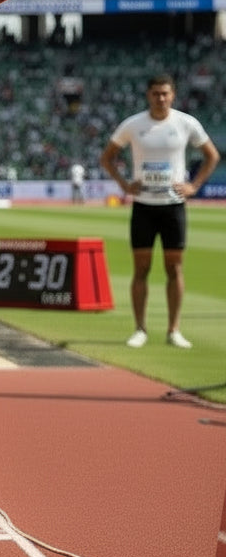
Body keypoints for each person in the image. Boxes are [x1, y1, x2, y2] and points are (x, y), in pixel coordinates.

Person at [99, 73, 219, 350]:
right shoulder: (133, 125)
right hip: (144, 206)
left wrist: (194, 185)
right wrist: (125, 185)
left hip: (173, 206)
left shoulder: (186, 123)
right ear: (148, 95)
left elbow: (211, 155)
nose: (161, 98)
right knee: (141, 268)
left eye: (165, 93)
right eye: (156, 93)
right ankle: (140, 329)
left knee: (174, 268)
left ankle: (173, 330)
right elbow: (107, 157)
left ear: (173, 95)